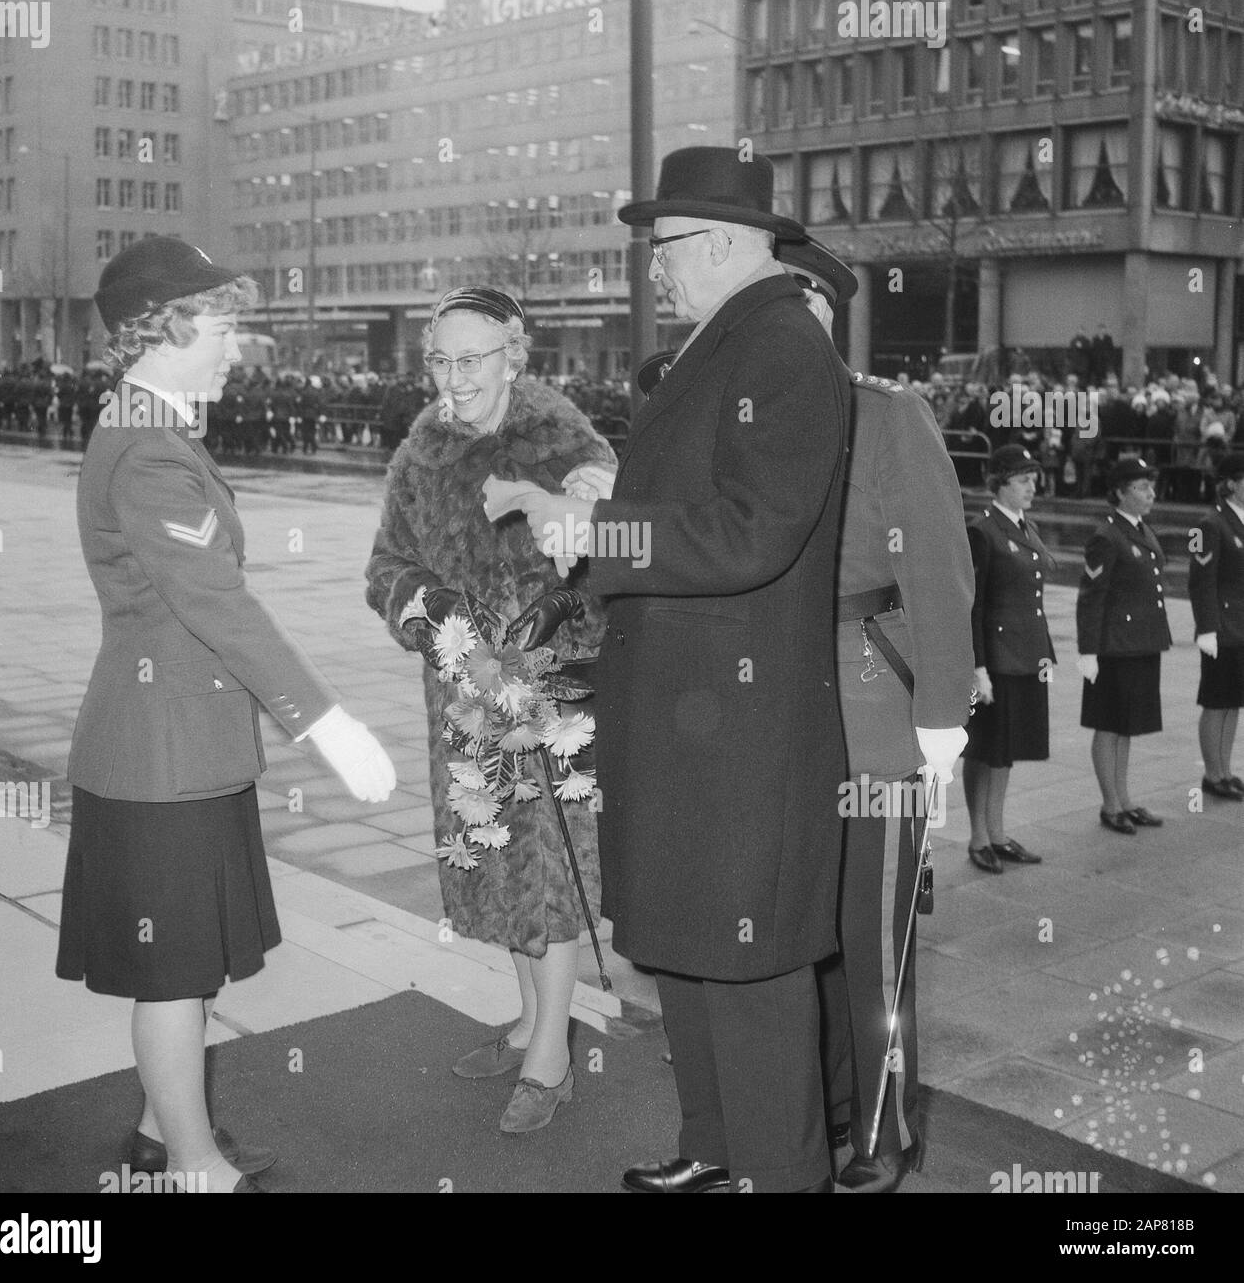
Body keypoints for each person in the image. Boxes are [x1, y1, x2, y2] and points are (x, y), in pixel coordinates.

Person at [496, 146, 851, 1192]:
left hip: (741, 733)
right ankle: (712, 1149)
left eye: (668, 245)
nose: (652, 266)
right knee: (692, 954)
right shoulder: (725, 342)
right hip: (691, 721)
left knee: (750, 977)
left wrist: (600, 532)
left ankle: (781, 1175)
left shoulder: (780, 345)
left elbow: (752, 531)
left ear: (731, 243)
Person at [57, 237, 396, 1193]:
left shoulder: (155, 428)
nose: (235, 345)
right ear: (163, 329)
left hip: (179, 744)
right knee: (173, 977)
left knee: (190, 965)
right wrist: (325, 721)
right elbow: (219, 606)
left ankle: (160, 1132)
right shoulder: (147, 449)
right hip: (157, 754)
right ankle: (195, 1168)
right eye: (223, 324)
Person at [365, 286, 615, 1134]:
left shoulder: (569, 444)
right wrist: (447, 626)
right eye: (439, 359)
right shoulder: (420, 456)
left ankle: (553, 1054)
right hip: (463, 692)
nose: (453, 377)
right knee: (496, 850)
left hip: (552, 692)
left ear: (515, 354)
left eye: (470, 359)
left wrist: (587, 533)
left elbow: (616, 553)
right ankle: (528, 1019)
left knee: (552, 868)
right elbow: (386, 569)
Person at [778, 236, 974, 1192]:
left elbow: (937, 571)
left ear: (822, 313)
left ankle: (883, 1134)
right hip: (771, 725)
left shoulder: (885, 417)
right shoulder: (747, 420)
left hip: (867, 729)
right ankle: (812, 1108)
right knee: (794, 938)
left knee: (873, 947)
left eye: (795, 305)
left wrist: (940, 728)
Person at [964, 443, 1054, 874]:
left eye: (1033, 479)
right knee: (985, 749)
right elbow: (974, 606)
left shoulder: (1023, 526)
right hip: (996, 660)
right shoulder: (983, 531)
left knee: (1007, 749)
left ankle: (998, 832)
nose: (1031, 487)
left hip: (1026, 655)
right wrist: (978, 668)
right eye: (1022, 480)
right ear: (999, 483)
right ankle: (979, 837)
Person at [1076, 457, 1171, 833]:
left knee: (1127, 725)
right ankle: (1110, 805)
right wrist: (1088, 651)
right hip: (1115, 645)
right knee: (1109, 724)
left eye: (1150, 486)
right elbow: (1091, 597)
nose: (1150, 493)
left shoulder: (1140, 529)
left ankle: (1125, 799)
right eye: (1141, 487)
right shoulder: (1107, 536)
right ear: (1119, 492)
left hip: (1141, 642)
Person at [1189, 451, 1244, 801]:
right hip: (1222, 627)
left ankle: (1225, 769)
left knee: (1234, 701)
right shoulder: (1209, 524)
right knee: (1216, 701)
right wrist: (1206, 628)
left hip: (1242, 626)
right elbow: (1201, 581)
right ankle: (1212, 774)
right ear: (1231, 484)